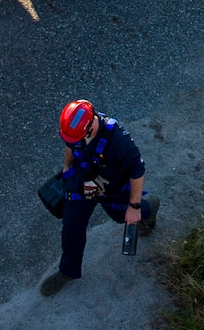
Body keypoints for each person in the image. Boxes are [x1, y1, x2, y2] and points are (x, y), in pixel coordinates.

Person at [41, 99, 157, 296]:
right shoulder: (75, 131)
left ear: (90, 128)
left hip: (112, 189)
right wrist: (67, 169)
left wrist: (134, 206)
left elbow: (138, 171)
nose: (71, 142)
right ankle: (67, 271)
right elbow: (70, 145)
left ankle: (148, 210)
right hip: (82, 184)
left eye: (76, 139)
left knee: (122, 216)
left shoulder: (119, 141)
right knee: (72, 227)